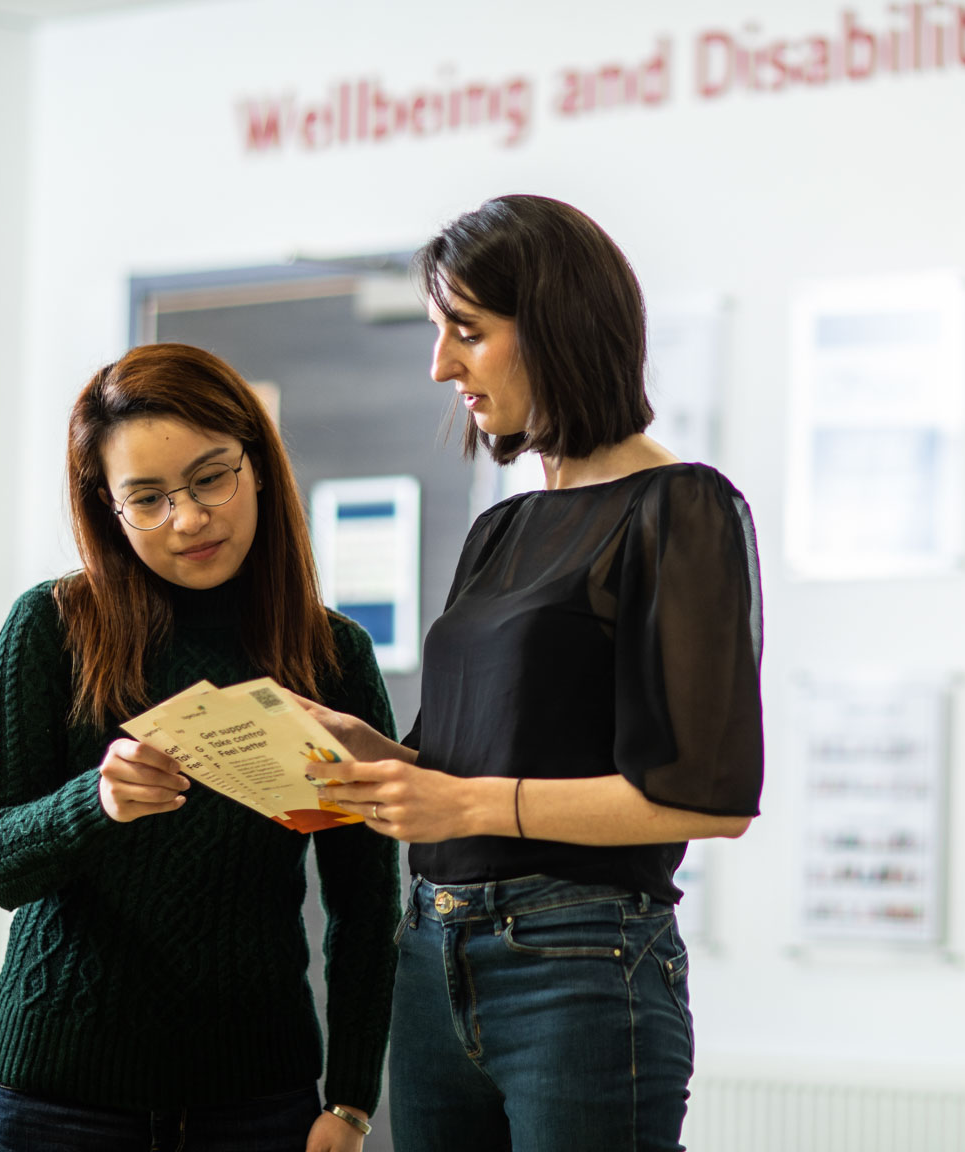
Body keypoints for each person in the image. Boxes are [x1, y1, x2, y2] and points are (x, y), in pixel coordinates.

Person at [298, 194, 765, 1152]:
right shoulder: (500, 528)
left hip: (578, 964)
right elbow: (465, 764)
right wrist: (375, 754)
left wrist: (464, 805)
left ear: (559, 327)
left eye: (468, 332)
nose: (442, 366)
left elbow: (705, 799)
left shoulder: (680, 510)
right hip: (430, 954)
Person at [0, 343, 399, 1151]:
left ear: (256, 466)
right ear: (109, 507)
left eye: (210, 479)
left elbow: (368, 904)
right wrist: (93, 803)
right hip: (58, 1097)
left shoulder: (332, 654)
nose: (189, 519)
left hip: (256, 1101)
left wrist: (350, 1101)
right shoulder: (50, 628)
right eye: (148, 498)